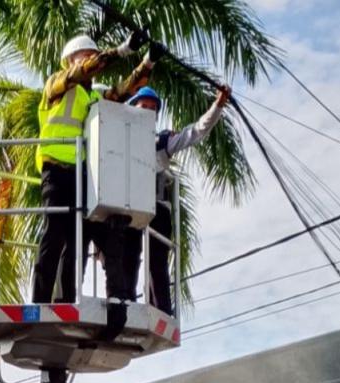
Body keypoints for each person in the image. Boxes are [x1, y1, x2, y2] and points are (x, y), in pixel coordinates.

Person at [32, 32, 154, 306]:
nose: (90, 59)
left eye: (91, 54)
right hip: (55, 167)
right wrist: (122, 50)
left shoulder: (89, 96)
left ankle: (65, 300)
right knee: (54, 235)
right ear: (70, 60)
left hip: (78, 172)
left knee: (76, 242)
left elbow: (122, 92)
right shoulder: (58, 83)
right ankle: (39, 301)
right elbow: (85, 69)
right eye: (85, 54)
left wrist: (147, 62)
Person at [121, 84, 230, 313]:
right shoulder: (120, 139)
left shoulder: (162, 142)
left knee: (157, 259)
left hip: (156, 206)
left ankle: (160, 308)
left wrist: (217, 106)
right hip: (129, 205)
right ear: (132, 109)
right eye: (143, 106)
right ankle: (125, 302)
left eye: (152, 109)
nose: (148, 112)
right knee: (128, 257)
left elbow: (196, 131)